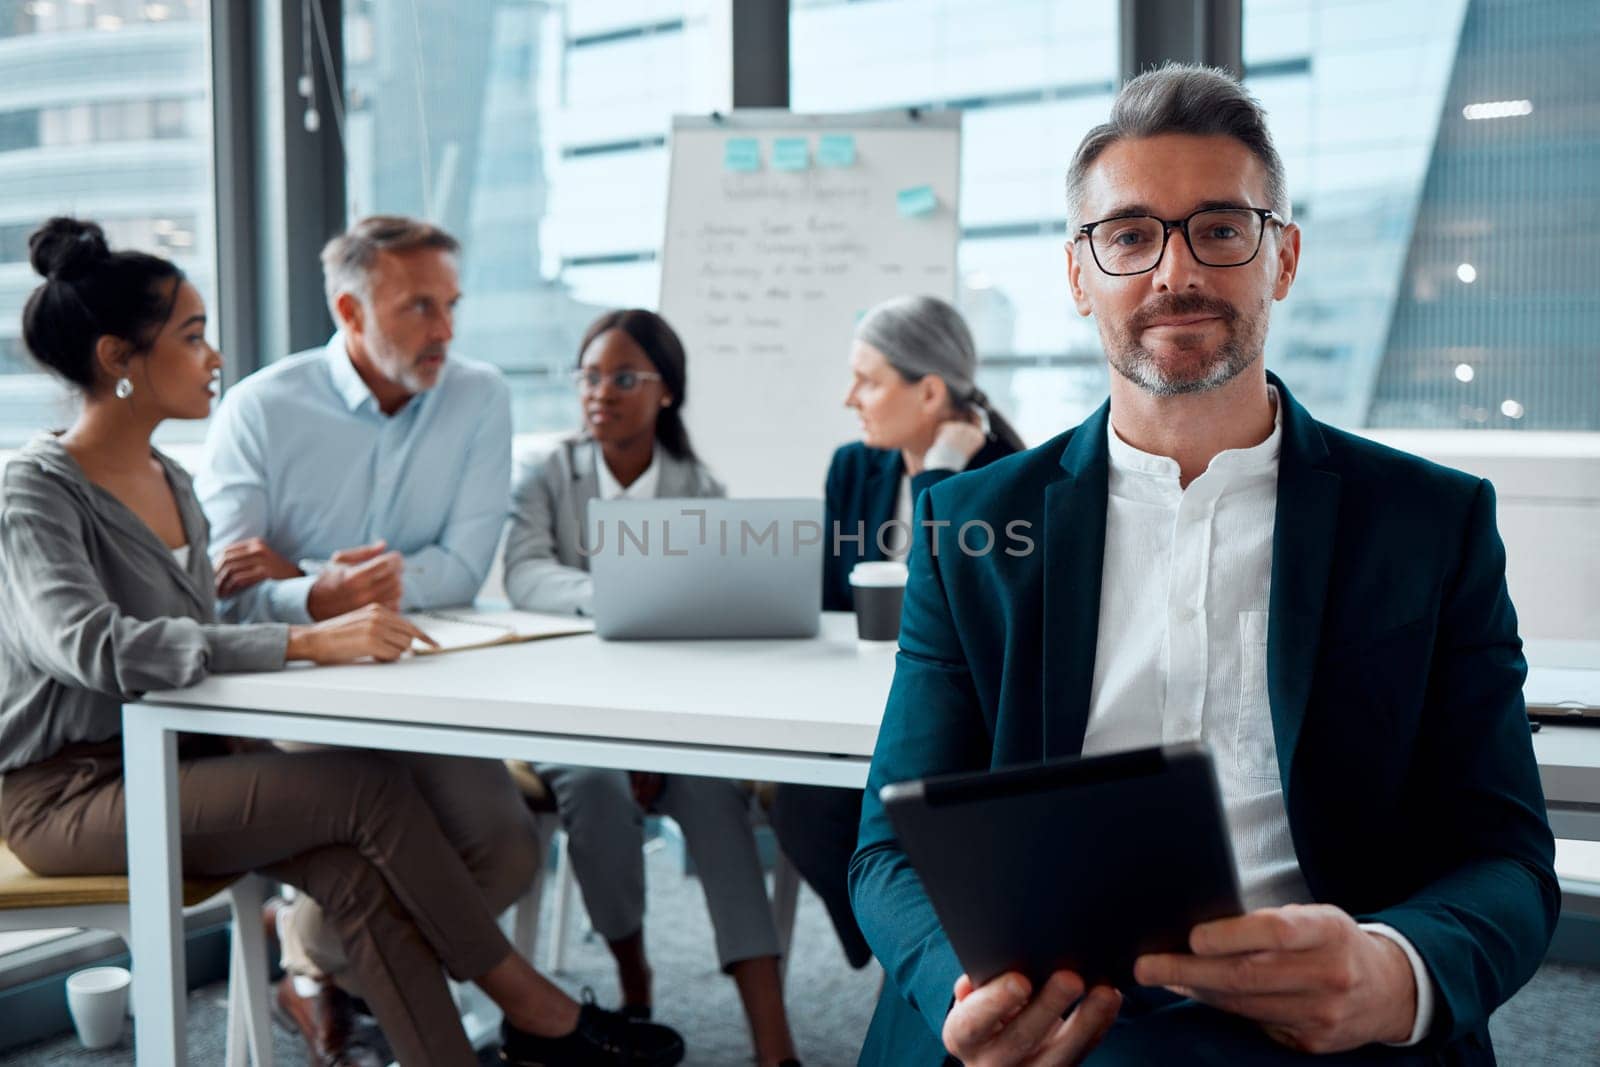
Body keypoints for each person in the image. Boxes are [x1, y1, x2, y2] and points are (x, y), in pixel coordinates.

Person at [848, 65, 1558, 1066]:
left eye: (1219, 229)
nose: (1172, 271)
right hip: (1039, 1016)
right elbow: (887, 846)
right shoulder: (967, 526)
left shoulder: (1429, 523)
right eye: (1130, 235)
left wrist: (1392, 970)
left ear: (1282, 256)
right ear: (1078, 273)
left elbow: (1507, 855)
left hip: (1322, 1021)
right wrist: (960, 995)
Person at [0, 218, 687, 1067]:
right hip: (67, 794)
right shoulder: (33, 489)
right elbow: (100, 646)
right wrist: (303, 639)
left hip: (179, 758)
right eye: (193, 335)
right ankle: (532, 1003)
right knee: (363, 789)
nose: (215, 356)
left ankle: (467, 1039)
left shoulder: (171, 478)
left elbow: (209, 623)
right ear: (118, 358)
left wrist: (283, 611)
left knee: (359, 868)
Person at [188, 215, 546, 1063]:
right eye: (420, 307)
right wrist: (322, 596)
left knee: (504, 849)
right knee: (379, 832)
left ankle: (310, 961)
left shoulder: (481, 395)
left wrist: (308, 580)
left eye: (452, 305)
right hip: (295, 689)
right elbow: (223, 590)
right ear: (350, 311)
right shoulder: (259, 409)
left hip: (422, 683)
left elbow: (460, 567)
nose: (446, 332)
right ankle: (368, 989)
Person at [503, 309, 803, 1067]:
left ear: (665, 392)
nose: (601, 392)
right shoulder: (548, 471)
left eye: (624, 377)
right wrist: (621, 590)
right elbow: (523, 574)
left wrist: (660, 733)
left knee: (714, 795)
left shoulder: (698, 486)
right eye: (590, 376)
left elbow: (708, 619)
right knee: (597, 786)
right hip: (568, 719)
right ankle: (634, 975)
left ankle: (775, 1042)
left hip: (673, 719)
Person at [768, 294, 1024, 973]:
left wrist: (940, 474)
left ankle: (909, 953)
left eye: (869, 379)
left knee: (854, 810)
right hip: (854, 698)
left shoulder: (1004, 476)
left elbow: (946, 618)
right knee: (801, 800)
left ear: (930, 390)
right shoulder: (856, 467)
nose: (851, 397)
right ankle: (887, 945)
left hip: (953, 719)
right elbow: (833, 598)